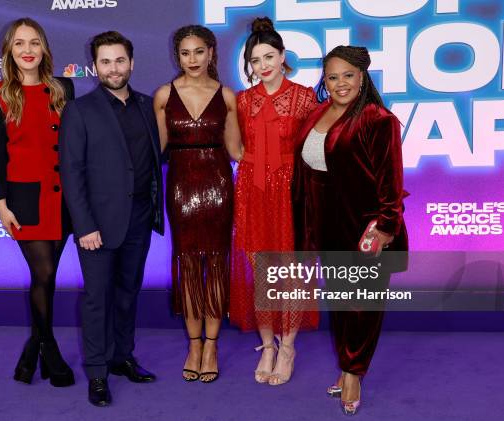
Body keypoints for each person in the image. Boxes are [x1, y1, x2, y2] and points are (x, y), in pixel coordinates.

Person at [292, 45, 408, 415]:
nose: (340, 83)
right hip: (328, 223)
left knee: (362, 306)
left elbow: (391, 182)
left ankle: (354, 372)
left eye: (348, 75)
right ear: (323, 80)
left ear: (363, 77)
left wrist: (385, 226)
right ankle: (346, 364)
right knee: (342, 303)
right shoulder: (318, 113)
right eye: (332, 76)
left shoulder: (378, 119)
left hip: (365, 227)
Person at [59, 31, 164, 407]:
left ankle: (122, 357)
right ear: (95, 66)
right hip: (97, 226)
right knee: (97, 300)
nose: (113, 68)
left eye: (120, 60)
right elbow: (71, 172)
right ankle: (98, 373)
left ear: (131, 63)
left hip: (138, 219)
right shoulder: (80, 110)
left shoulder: (147, 106)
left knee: (127, 295)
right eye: (106, 62)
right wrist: (84, 226)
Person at [0, 17, 75, 387]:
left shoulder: (62, 88)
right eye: (19, 43)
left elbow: (72, 144)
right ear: (9, 50)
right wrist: (1, 203)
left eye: (34, 42)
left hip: (63, 197)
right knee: (44, 273)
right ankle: (49, 348)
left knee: (45, 279)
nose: (27, 50)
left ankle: (31, 352)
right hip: (25, 199)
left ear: (44, 48)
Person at [228, 17, 320, 386]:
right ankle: (267, 344)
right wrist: (250, 167)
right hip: (252, 189)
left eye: (269, 56)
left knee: (291, 272)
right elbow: (235, 148)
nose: (263, 65)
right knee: (260, 270)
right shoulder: (242, 99)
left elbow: (315, 150)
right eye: (256, 59)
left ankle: (288, 347)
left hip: (291, 190)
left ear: (283, 56)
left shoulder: (304, 97)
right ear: (249, 64)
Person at [154, 25, 243, 383]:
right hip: (180, 190)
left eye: (199, 52)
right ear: (178, 56)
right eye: (185, 53)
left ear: (211, 54)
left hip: (219, 187)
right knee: (189, 267)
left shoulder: (227, 96)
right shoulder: (164, 95)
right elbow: (155, 151)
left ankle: (212, 345)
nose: (192, 59)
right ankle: (194, 345)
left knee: (217, 266)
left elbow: (236, 151)